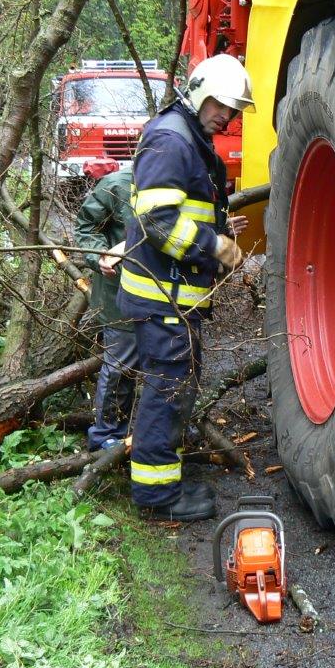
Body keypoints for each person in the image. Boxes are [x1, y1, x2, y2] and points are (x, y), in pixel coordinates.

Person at [117, 53, 253, 522]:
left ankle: (163, 475)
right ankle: (157, 496)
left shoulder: (187, 139)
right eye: (222, 105)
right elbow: (157, 220)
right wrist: (213, 246)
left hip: (171, 298)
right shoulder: (171, 140)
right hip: (162, 298)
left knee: (174, 387)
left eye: (234, 111)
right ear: (199, 92)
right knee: (168, 391)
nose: (228, 116)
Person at [74, 163, 137, 452]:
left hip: (167, 297)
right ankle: (106, 437)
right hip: (119, 294)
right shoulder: (117, 185)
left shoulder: (185, 181)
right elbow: (86, 227)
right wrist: (98, 255)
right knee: (120, 367)